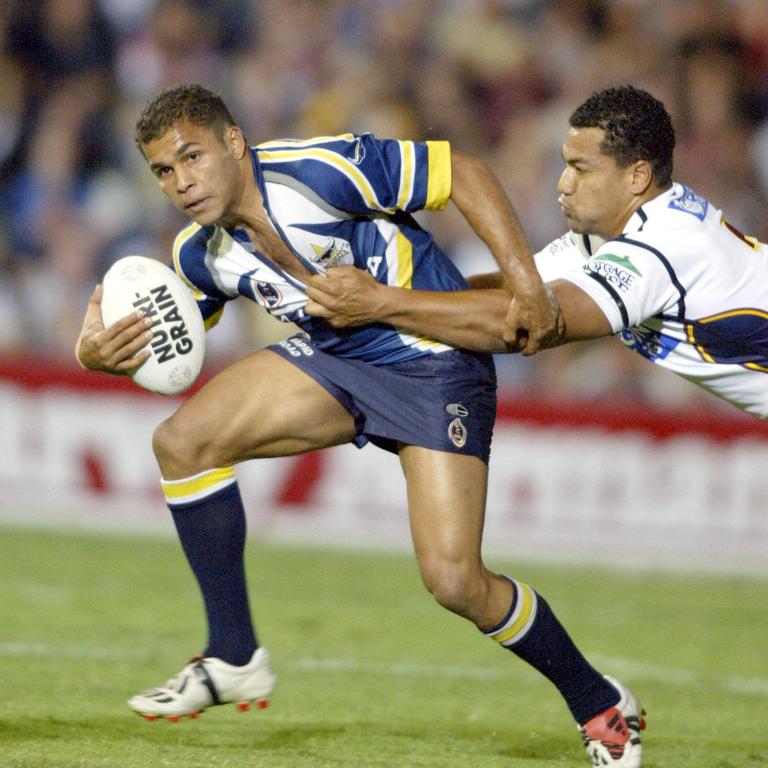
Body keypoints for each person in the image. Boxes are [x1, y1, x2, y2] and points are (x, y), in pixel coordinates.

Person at [75, 84, 643, 768]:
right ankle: (233, 653)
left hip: (436, 363)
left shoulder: (318, 171)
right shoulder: (202, 254)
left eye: (191, 157)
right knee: (182, 443)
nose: (181, 182)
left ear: (233, 142)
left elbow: (462, 172)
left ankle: (597, 701)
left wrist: (526, 287)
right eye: (164, 171)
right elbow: (169, 349)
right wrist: (97, 355)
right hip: (338, 360)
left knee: (455, 581)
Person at [305, 85, 768, 423]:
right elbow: (518, 290)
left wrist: (382, 304)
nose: (562, 184)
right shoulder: (615, 232)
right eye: (564, 166)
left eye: (580, 169)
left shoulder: (659, 248)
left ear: (637, 177)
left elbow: (535, 322)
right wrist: (390, 294)